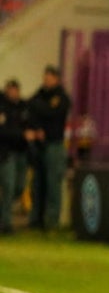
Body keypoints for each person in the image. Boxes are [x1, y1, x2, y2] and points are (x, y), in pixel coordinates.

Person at [25, 65, 71, 231]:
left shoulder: (62, 97)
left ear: (56, 78)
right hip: (40, 145)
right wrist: (37, 127)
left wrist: (40, 110)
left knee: (53, 183)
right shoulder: (40, 94)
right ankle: (36, 219)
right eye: (45, 77)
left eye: (49, 77)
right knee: (37, 183)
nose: (46, 80)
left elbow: (52, 113)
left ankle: (52, 220)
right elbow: (30, 106)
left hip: (54, 145)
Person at [0, 79, 27, 234]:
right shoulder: (2, 107)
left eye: (15, 89)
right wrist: (22, 134)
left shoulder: (24, 106)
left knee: (18, 187)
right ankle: (6, 223)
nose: (12, 93)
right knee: (8, 187)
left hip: (21, 152)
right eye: (10, 90)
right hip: (6, 153)